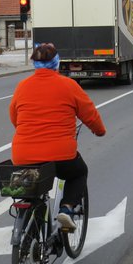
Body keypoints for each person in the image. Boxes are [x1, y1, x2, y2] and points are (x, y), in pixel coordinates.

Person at [9, 43, 106, 231]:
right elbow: (90, 114)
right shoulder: (69, 85)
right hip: (61, 156)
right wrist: (99, 131)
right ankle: (67, 209)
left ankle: (30, 238)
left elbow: (15, 117)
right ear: (57, 63)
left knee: (33, 192)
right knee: (79, 173)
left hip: (24, 154)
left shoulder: (22, 86)